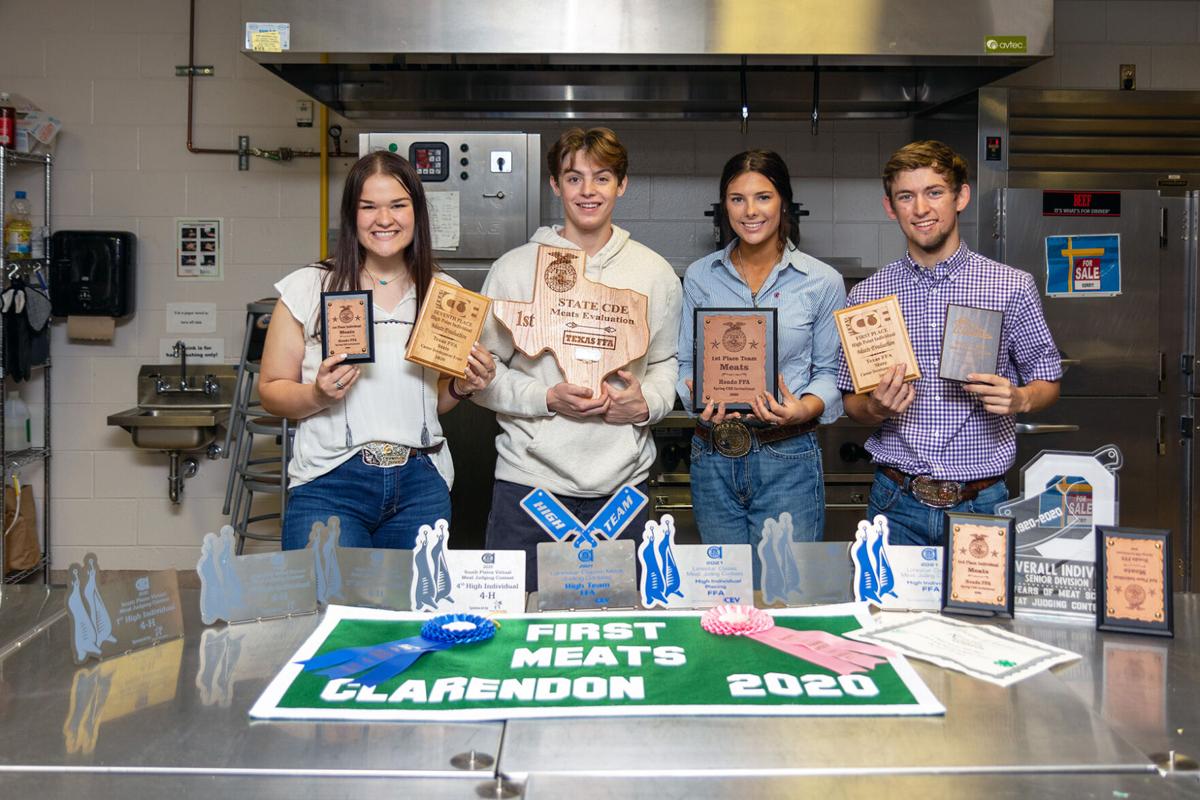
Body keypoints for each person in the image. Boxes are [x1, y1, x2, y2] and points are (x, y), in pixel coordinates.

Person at [473, 127, 683, 588]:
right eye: (574, 178)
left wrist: (647, 403)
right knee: (517, 641)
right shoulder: (513, 269)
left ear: (622, 185)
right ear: (554, 184)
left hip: (624, 493)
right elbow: (482, 377)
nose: (588, 191)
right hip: (529, 489)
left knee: (626, 638)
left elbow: (670, 364)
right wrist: (546, 397)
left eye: (602, 178)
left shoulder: (654, 273)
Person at [260, 151, 495, 551]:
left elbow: (425, 402)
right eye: (368, 207)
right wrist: (316, 394)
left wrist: (463, 387)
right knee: (330, 610)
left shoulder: (443, 292)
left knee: (409, 612)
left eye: (398, 206)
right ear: (351, 215)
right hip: (330, 482)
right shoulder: (309, 286)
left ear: (417, 213)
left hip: (420, 485)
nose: (384, 219)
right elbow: (270, 390)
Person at [838, 140, 1061, 546]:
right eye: (906, 196)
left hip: (981, 503)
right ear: (891, 207)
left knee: (979, 612)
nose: (920, 209)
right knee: (887, 612)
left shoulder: (1009, 286)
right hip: (895, 502)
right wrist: (873, 407)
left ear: (961, 196)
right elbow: (852, 402)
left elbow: (1046, 379)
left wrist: (1020, 400)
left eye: (934, 192)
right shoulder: (867, 297)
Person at [677, 150, 845, 583]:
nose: (750, 211)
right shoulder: (699, 275)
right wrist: (696, 397)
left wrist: (806, 408)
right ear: (724, 206)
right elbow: (685, 362)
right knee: (723, 595)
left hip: (788, 453)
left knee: (787, 594)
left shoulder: (821, 281)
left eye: (763, 197)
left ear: (783, 202)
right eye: (736, 199)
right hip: (714, 454)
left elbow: (829, 372)